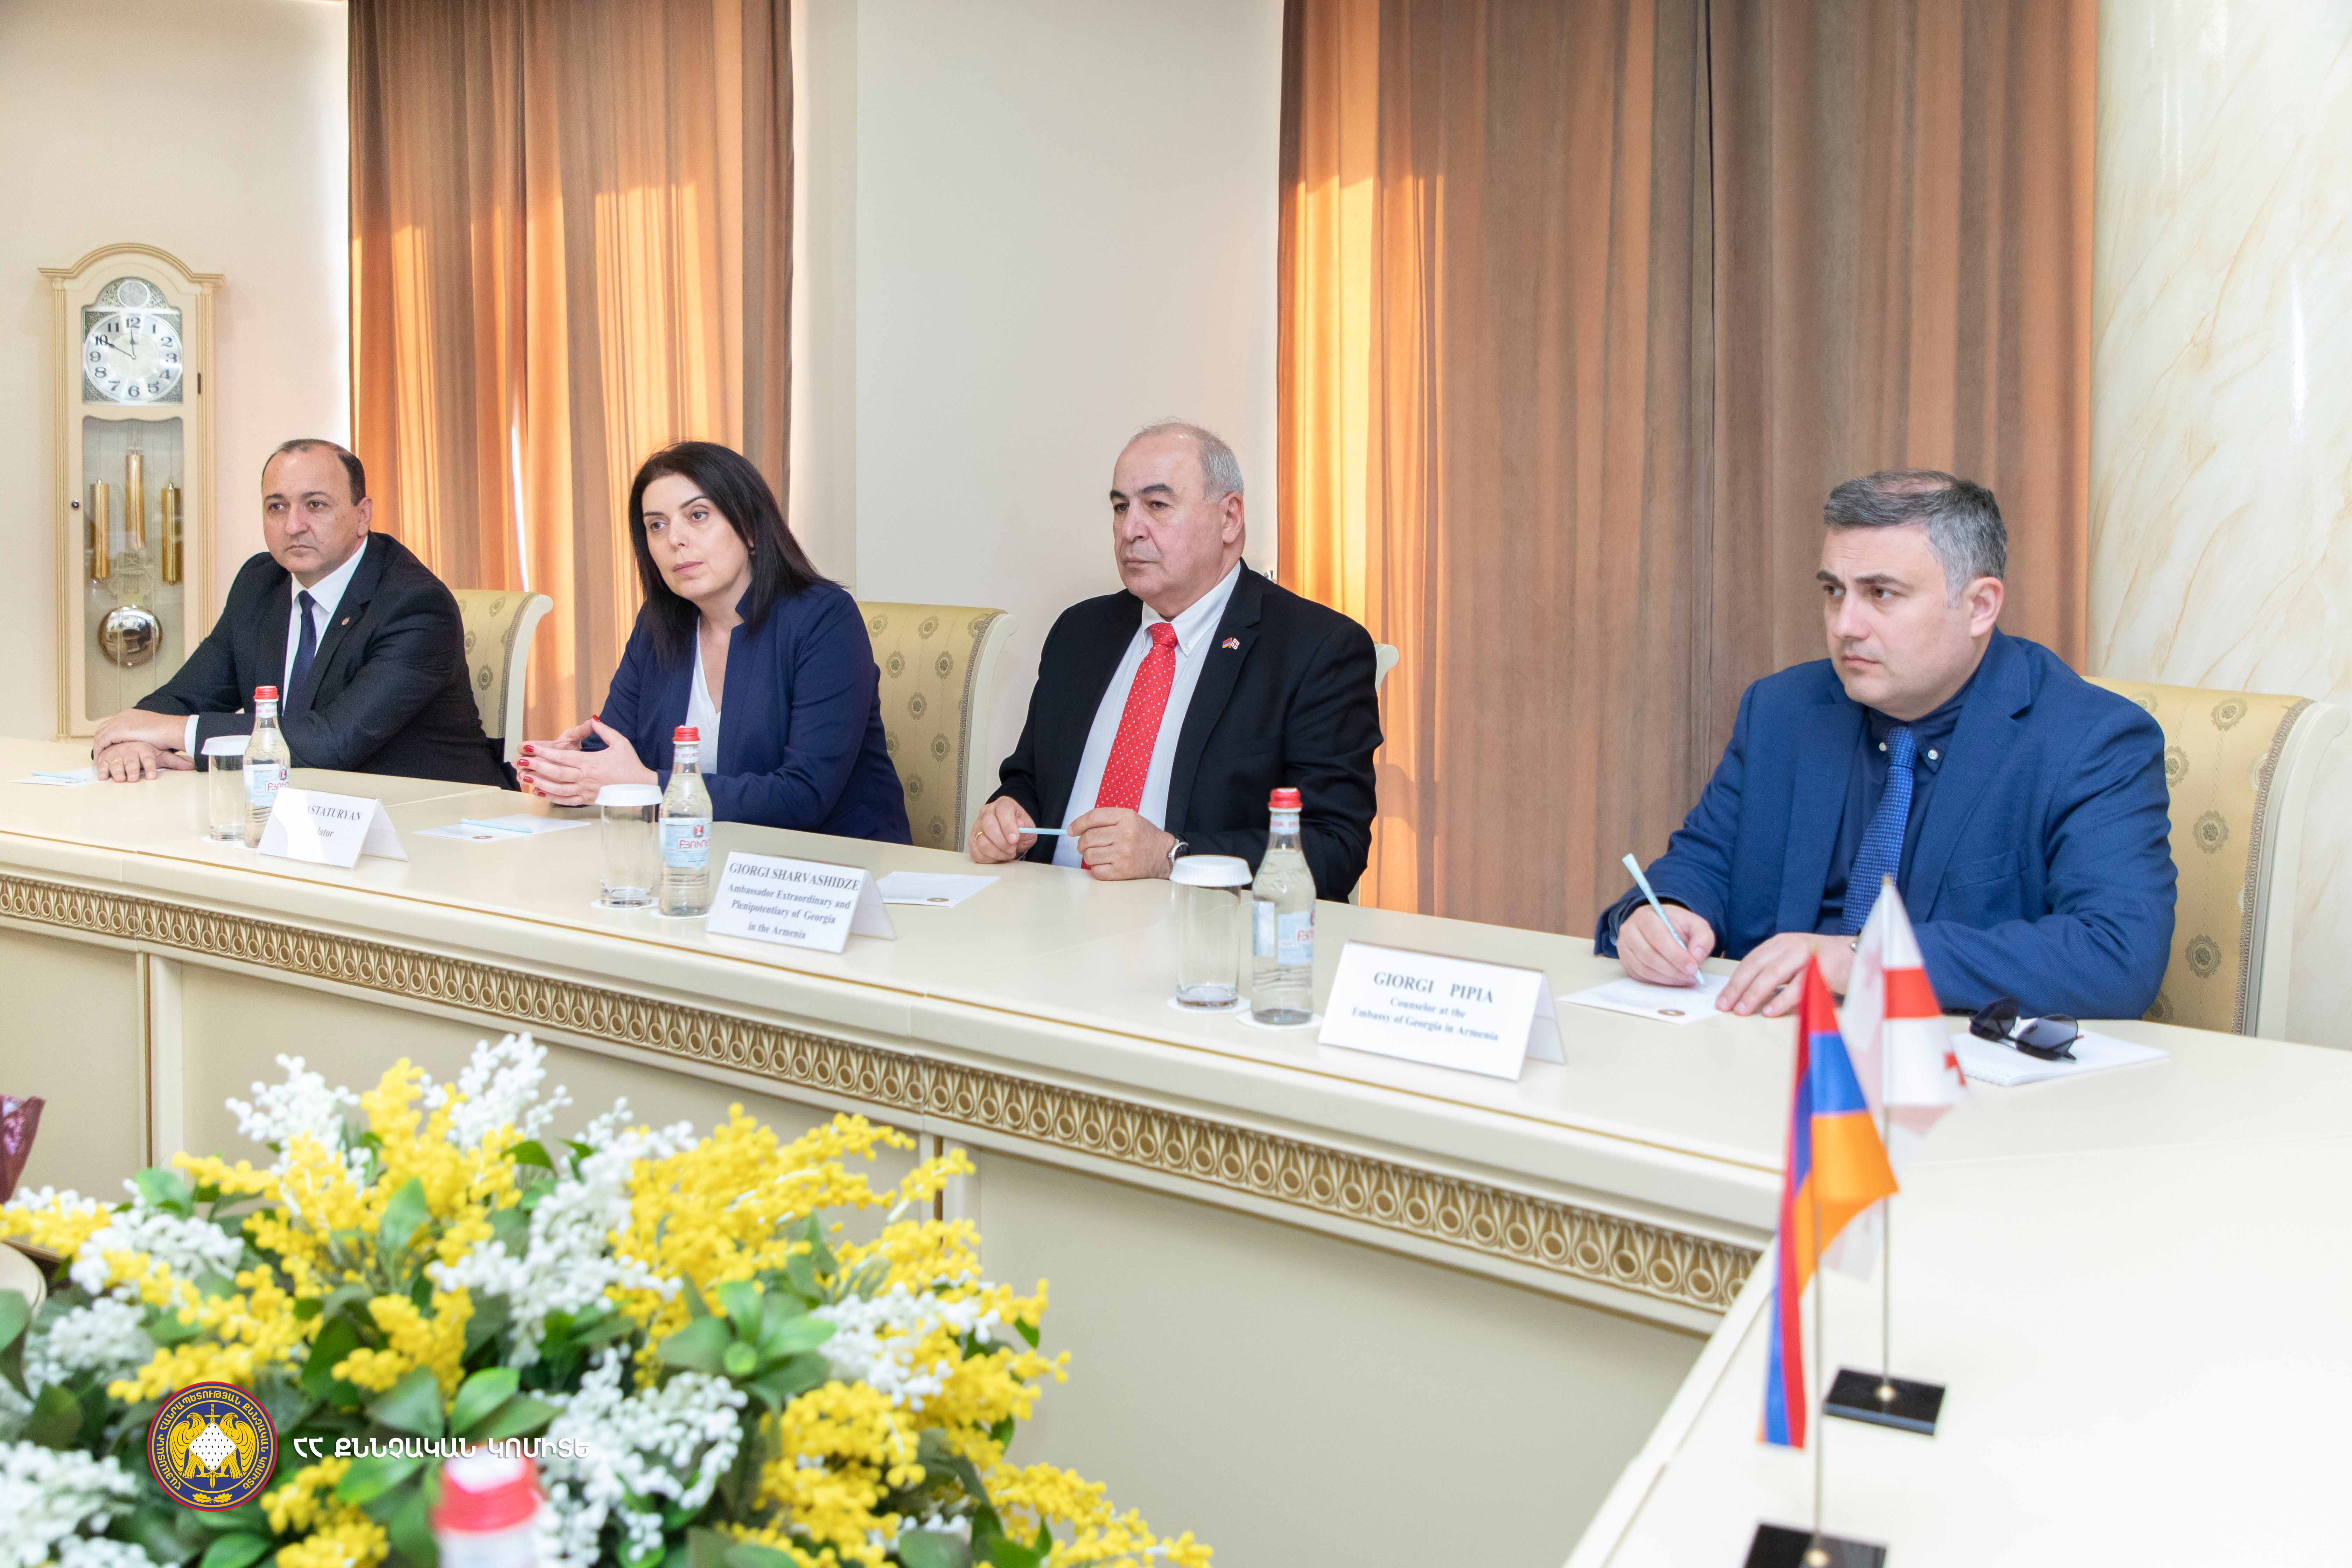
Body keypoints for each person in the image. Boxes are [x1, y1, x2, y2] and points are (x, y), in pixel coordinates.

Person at [1597, 470, 2175, 1021]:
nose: (1845, 625)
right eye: (1834, 591)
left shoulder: (2091, 739)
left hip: (1949, 1070)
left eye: (1881, 594)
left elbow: (2117, 952)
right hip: (1765, 1047)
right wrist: (1662, 914)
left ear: (1979, 606)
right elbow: (1705, 864)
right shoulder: (1781, 711)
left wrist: (1867, 959)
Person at [969, 421, 1381, 896]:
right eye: (1121, 507)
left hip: (1196, 925)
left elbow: (1334, 847)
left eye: (1157, 505)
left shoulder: (1317, 649)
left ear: (1229, 518)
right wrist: (1008, 815)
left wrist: (1171, 857)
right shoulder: (1079, 632)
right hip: (1047, 913)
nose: (1130, 530)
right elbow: (1028, 780)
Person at [519, 441, 909, 843]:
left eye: (698, 515)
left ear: (751, 528)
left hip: (832, 865)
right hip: (696, 859)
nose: (676, 539)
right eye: (657, 525)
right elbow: (613, 758)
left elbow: (804, 796)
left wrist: (648, 784)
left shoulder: (824, 619)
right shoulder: (658, 626)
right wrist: (569, 772)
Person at [92, 439, 506, 787]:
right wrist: (133, 741)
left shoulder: (415, 606)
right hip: (302, 812)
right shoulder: (261, 583)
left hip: (432, 819)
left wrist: (167, 731)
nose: (294, 525)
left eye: (316, 504)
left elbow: (332, 742)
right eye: (277, 507)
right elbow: (183, 696)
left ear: (363, 515)